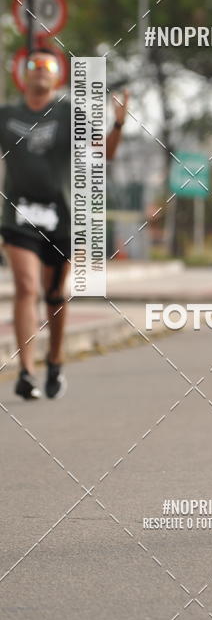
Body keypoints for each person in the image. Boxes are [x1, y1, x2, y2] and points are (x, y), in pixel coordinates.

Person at [0, 47, 128, 400]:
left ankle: (55, 360)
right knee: (26, 287)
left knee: (55, 295)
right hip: (18, 216)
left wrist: (118, 123)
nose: (41, 69)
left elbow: (105, 152)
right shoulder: (7, 115)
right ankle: (26, 372)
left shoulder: (70, 114)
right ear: (23, 74)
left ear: (57, 76)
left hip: (62, 219)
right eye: (34, 64)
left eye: (48, 65)